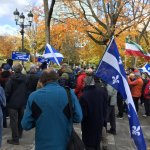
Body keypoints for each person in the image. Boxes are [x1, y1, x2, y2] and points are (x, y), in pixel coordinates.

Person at [21, 68, 82, 150]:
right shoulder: (69, 93)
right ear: (57, 79)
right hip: (65, 144)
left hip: (42, 145)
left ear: (42, 81)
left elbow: (26, 125)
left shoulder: (33, 96)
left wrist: (39, 119)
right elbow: (78, 117)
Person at [80, 75, 108, 150]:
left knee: (89, 145)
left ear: (86, 83)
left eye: (83, 83)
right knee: (97, 143)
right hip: (100, 122)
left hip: (88, 125)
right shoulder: (102, 92)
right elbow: (105, 108)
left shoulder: (84, 96)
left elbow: (83, 115)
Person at [5, 63, 27, 145]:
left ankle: (15, 139)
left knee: (13, 121)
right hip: (22, 102)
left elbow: (7, 91)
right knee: (20, 119)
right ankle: (19, 134)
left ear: (13, 69)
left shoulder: (11, 79)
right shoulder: (25, 78)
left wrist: (6, 101)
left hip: (12, 103)